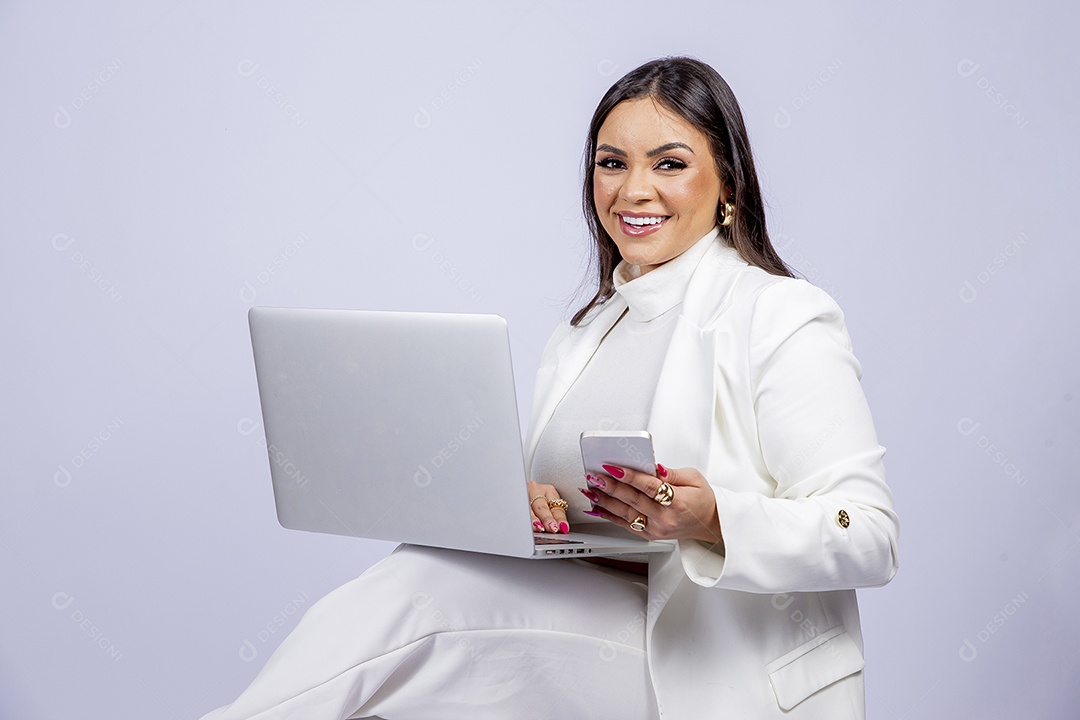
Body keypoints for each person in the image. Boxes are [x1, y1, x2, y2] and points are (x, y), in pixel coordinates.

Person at [201, 56, 899, 720]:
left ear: (729, 185)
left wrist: (712, 518)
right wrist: (532, 506)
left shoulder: (779, 313)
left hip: (711, 666)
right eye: (611, 164)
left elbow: (868, 535)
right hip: (585, 631)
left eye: (670, 164)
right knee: (411, 614)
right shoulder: (584, 334)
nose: (634, 191)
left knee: (422, 596)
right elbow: (588, 520)